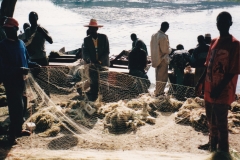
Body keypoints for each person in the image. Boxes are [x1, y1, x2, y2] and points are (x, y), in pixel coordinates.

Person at [196, 11, 240, 153]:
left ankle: (223, 152)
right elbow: (207, 64)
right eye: (219, 22)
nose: (221, 24)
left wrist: (219, 88)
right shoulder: (214, 42)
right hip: (209, 89)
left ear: (230, 24)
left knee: (221, 123)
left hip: (223, 91)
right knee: (211, 121)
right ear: (216, 24)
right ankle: (211, 145)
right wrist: (200, 82)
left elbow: (233, 71)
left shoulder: (235, 44)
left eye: (225, 22)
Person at [0, 17, 40, 145]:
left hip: (22, 80)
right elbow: (3, 67)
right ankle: (11, 135)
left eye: (9, 29)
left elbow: (27, 60)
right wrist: (19, 69)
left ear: (16, 29)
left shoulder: (21, 44)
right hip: (11, 81)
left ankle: (18, 129)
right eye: (5, 29)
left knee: (23, 106)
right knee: (15, 107)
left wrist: (34, 65)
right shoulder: (2, 45)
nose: (6, 31)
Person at [83, 19, 110, 101]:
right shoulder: (86, 40)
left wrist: (100, 61)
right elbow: (85, 53)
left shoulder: (104, 37)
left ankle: (105, 99)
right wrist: (89, 60)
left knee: (104, 82)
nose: (91, 30)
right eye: (90, 28)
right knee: (93, 83)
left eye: (93, 28)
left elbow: (107, 52)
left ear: (97, 29)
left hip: (103, 64)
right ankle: (94, 99)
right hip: (92, 65)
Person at [150, 21, 171, 96]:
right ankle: (160, 93)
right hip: (163, 59)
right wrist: (170, 49)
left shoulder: (154, 35)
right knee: (163, 77)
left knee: (157, 77)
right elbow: (165, 50)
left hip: (156, 59)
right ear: (167, 28)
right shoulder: (163, 37)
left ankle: (157, 91)